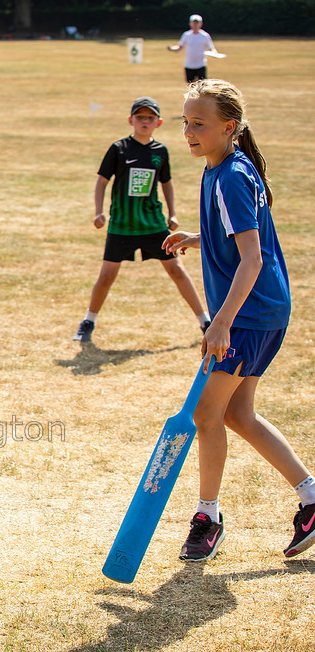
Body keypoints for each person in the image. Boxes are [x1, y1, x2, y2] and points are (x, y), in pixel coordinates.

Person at [163, 79, 315, 561]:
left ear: (229, 127)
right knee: (236, 414)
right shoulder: (224, 167)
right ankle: (312, 498)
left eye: (199, 123)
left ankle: (208, 517)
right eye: (185, 121)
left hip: (248, 314)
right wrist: (198, 237)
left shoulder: (228, 175)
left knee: (206, 414)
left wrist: (221, 321)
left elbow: (250, 260)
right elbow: (236, 240)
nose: (188, 130)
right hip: (263, 309)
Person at [73, 96, 210, 343]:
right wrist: (98, 211)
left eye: (150, 118)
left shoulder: (160, 152)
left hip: (153, 224)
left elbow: (166, 183)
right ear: (131, 120)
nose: (144, 122)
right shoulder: (119, 149)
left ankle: (205, 322)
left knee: (177, 270)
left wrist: (172, 213)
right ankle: (88, 321)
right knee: (106, 276)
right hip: (122, 224)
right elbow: (102, 181)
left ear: (158, 122)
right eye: (140, 117)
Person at [167, 14, 219, 83]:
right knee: (190, 86)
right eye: (193, 23)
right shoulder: (186, 35)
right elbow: (179, 47)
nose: (195, 25)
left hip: (200, 65)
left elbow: (211, 48)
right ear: (190, 23)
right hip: (189, 65)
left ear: (201, 24)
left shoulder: (204, 36)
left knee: (203, 86)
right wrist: (171, 48)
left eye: (197, 23)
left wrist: (215, 53)